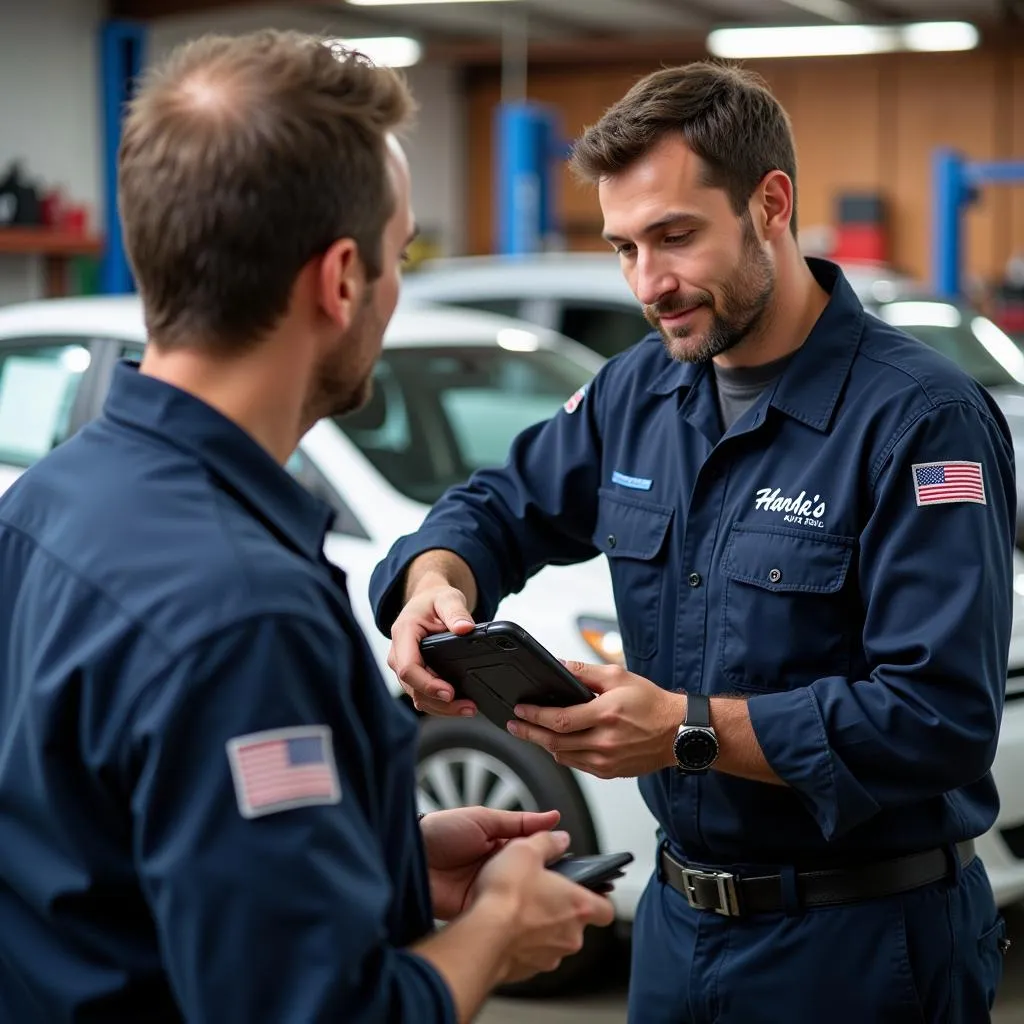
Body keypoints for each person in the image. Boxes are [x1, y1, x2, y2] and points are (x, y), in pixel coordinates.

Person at [372, 61, 1016, 1022]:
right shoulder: (639, 392)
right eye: (624, 247)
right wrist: (436, 578)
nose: (649, 283)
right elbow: (499, 505)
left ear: (770, 203)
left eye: (675, 237)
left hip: (863, 950)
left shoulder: (921, 421)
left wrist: (689, 730)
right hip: (679, 937)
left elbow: (938, 715)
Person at [0, 30, 615, 1023]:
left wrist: (387, 853)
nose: (395, 282)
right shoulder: (243, 609)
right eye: (396, 253)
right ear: (339, 279)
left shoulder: (47, 501)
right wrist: (492, 934)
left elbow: (108, 850)